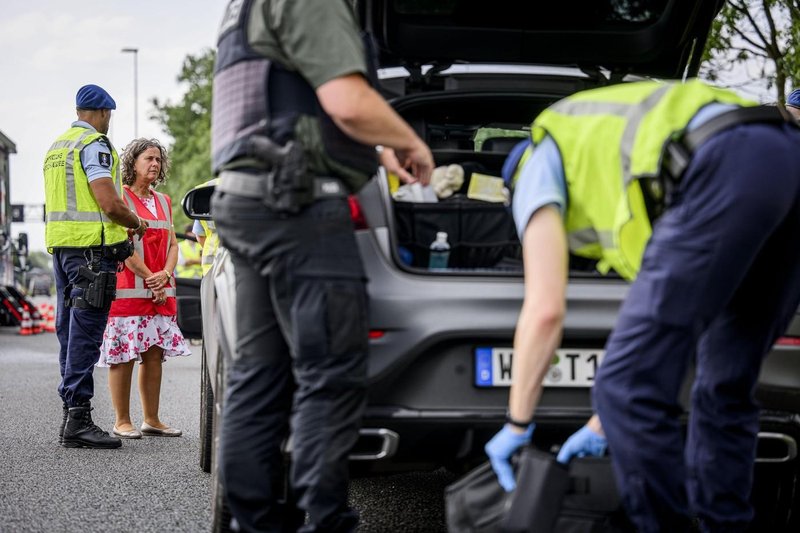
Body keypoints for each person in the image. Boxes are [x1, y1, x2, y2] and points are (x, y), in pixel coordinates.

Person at [484, 79, 800, 531]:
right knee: (725, 387)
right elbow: (672, 334)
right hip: (788, 158)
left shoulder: (536, 159)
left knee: (622, 387)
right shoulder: (629, 180)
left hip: (723, 163)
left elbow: (546, 308)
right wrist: (600, 427)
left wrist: (517, 424)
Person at [209, 1, 434, 531]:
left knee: (258, 375)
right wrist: (411, 140)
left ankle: (256, 521)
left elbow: (290, 105)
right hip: (298, 207)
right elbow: (347, 102)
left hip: (250, 199)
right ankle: (327, 521)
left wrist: (377, 155)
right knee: (328, 373)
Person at [45, 84, 148, 449]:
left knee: (69, 332)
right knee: (86, 334)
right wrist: (135, 221)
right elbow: (108, 200)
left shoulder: (57, 147)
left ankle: (71, 414)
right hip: (90, 254)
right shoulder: (95, 145)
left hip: (63, 251)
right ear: (103, 113)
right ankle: (78, 420)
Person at [96, 138, 192, 439]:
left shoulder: (163, 201)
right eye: (149, 158)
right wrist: (152, 277)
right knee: (123, 355)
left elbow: (173, 244)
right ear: (132, 163)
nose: (155, 164)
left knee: (153, 354)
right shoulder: (120, 197)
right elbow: (122, 244)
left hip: (159, 290)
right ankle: (122, 420)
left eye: (158, 160)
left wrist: (164, 274)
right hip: (129, 290)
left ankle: (152, 419)